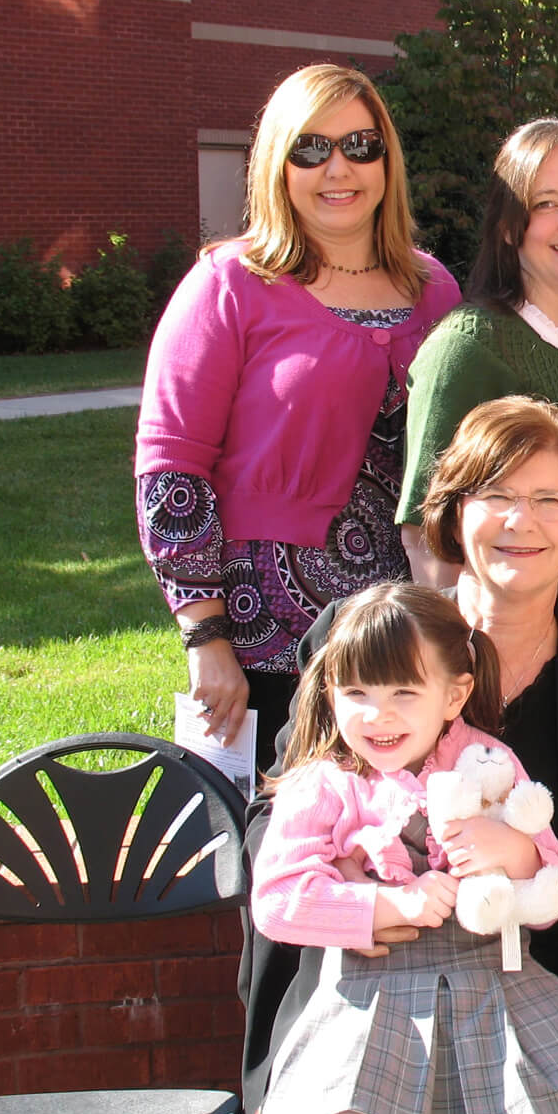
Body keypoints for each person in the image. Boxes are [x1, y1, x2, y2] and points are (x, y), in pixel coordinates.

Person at [241, 399, 558, 1114]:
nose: (521, 521)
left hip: (545, 996)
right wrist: (355, 890)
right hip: (364, 981)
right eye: (497, 495)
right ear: (455, 511)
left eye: (549, 500)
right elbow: (274, 817)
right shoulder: (362, 639)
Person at [136, 62, 461, 764]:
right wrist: (204, 636)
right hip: (269, 639)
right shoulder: (230, 284)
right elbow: (172, 470)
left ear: (387, 160)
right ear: (277, 166)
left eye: (360, 146)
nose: (337, 168)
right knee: (280, 821)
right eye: (310, 149)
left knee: (404, 821)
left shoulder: (435, 289)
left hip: (408, 637)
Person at [250, 581, 558, 1114]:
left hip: (500, 990)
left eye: (404, 693)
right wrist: (388, 906)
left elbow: (553, 893)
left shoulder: (489, 761)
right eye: (357, 693)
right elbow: (276, 900)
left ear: (455, 696)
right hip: (370, 1003)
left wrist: (515, 851)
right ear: (330, 693)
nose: (378, 716)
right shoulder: (324, 783)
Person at [399, 118, 558, 642]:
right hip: (523, 668)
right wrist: (469, 663)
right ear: (507, 225)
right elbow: (427, 536)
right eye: (545, 204)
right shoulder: (468, 347)